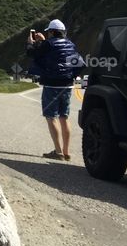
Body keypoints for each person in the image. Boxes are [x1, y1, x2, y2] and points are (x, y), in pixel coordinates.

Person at [26, 19, 84, 161]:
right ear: (63, 32)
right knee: (64, 117)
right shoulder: (70, 44)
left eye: (48, 32)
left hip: (52, 84)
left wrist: (31, 43)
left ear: (51, 32)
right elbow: (78, 64)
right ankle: (66, 151)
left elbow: (33, 54)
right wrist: (71, 76)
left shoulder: (48, 44)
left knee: (51, 117)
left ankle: (58, 152)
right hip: (67, 85)